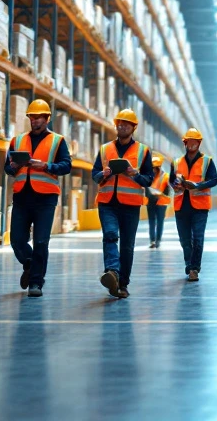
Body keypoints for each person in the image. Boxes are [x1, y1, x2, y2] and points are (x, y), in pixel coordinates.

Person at [4, 99, 72, 297]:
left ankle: (36, 282)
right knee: (17, 240)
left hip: (45, 198)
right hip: (22, 196)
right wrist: (14, 167)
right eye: (32, 117)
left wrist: (46, 166)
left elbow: (66, 165)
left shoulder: (58, 141)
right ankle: (31, 263)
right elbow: (8, 168)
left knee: (41, 242)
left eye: (38, 117)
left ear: (47, 118)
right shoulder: (17, 141)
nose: (35, 121)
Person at [93, 108, 153, 299]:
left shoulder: (143, 151)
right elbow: (95, 174)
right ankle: (112, 272)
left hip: (131, 204)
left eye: (126, 124)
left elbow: (149, 179)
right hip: (107, 201)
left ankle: (122, 284)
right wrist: (103, 174)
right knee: (110, 235)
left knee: (127, 245)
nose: (122, 126)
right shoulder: (104, 149)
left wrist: (134, 174)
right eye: (119, 123)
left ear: (133, 127)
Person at [170, 128, 217, 281]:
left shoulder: (207, 161)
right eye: (188, 142)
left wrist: (197, 186)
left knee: (197, 238)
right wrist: (175, 185)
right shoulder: (177, 162)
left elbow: (214, 180)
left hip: (200, 206)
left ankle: (194, 268)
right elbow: (171, 180)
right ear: (185, 143)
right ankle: (189, 262)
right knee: (184, 239)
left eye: (194, 142)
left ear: (199, 143)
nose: (191, 144)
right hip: (181, 205)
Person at [144, 154, 171, 248]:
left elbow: (168, 191)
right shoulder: (148, 177)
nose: (153, 170)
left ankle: (158, 240)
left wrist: (160, 195)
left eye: (155, 168)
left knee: (160, 221)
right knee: (151, 221)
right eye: (152, 168)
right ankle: (152, 241)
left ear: (159, 167)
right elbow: (146, 189)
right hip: (151, 202)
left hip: (161, 202)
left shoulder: (166, 177)